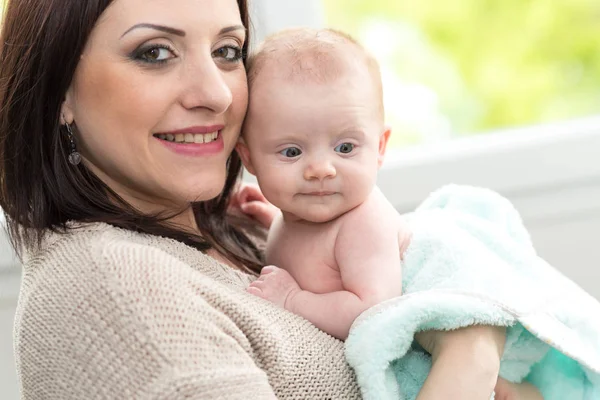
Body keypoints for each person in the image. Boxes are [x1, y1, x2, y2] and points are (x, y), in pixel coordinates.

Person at [0, 0, 508, 398]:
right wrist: (471, 357)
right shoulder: (117, 291)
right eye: (154, 52)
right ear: (60, 91)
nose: (217, 94)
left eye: (227, 51)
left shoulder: (247, 225)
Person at [236, 28, 542, 399]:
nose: (321, 168)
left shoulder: (363, 222)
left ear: (379, 147)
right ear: (249, 157)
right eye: (291, 153)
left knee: (466, 374)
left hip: (450, 328)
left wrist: (292, 301)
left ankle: (523, 393)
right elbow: (316, 256)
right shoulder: (301, 213)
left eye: (345, 147)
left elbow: (371, 308)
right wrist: (272, 219)